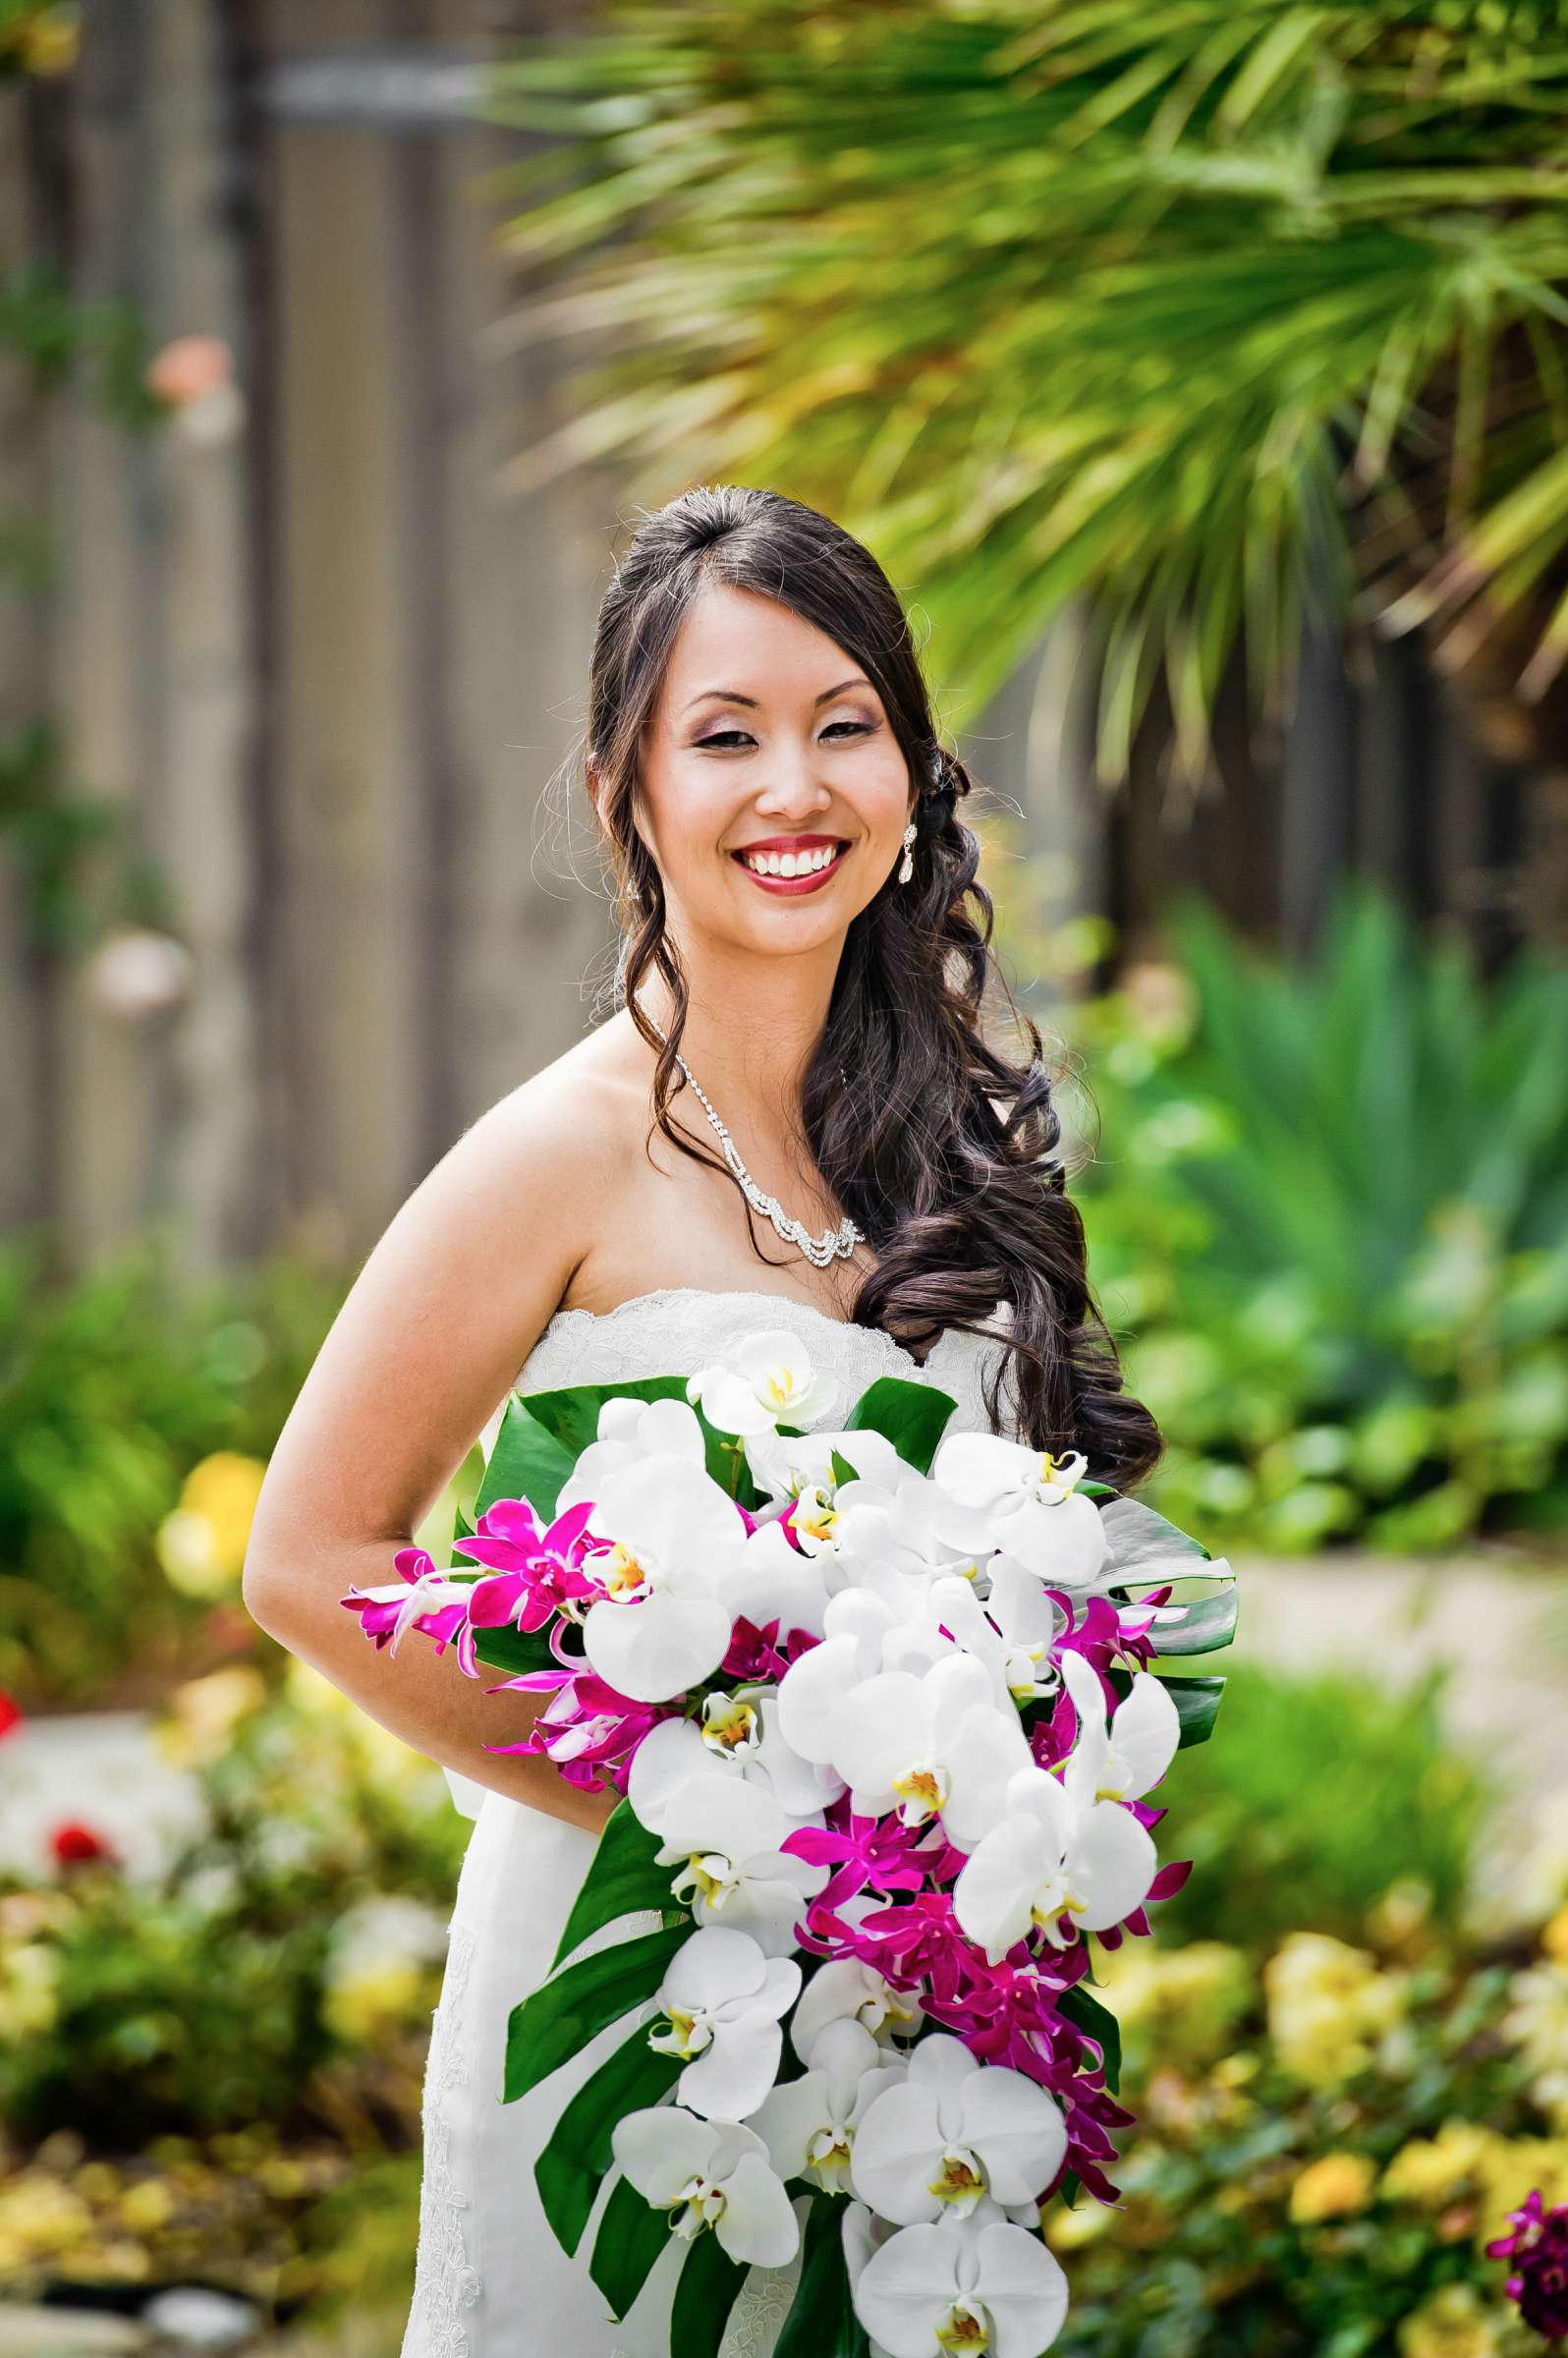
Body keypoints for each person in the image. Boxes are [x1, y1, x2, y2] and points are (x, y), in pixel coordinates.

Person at [242, 484, 1163, 2357]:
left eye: (844, 726)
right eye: (722, 737)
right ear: (624, 798)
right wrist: (695, 1822)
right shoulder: (558, 1155)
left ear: (913, 777)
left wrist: (982, 1825)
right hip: (626, 1994)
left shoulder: (947, 1158)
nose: (793, 788)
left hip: (901, 2023)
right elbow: (311, 1560)